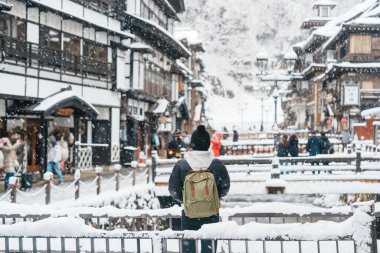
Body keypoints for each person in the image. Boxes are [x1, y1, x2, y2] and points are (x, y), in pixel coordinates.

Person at [168, 125, 230, 253]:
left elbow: (173, 190)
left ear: (192, 144)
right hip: (211, 214)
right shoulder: (216, 164)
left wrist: (187, 200)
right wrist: (212, 196)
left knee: (188, 249)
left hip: (189, 214)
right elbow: (225, 188)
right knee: (209, 249)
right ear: (208, 144)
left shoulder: (182, 164)